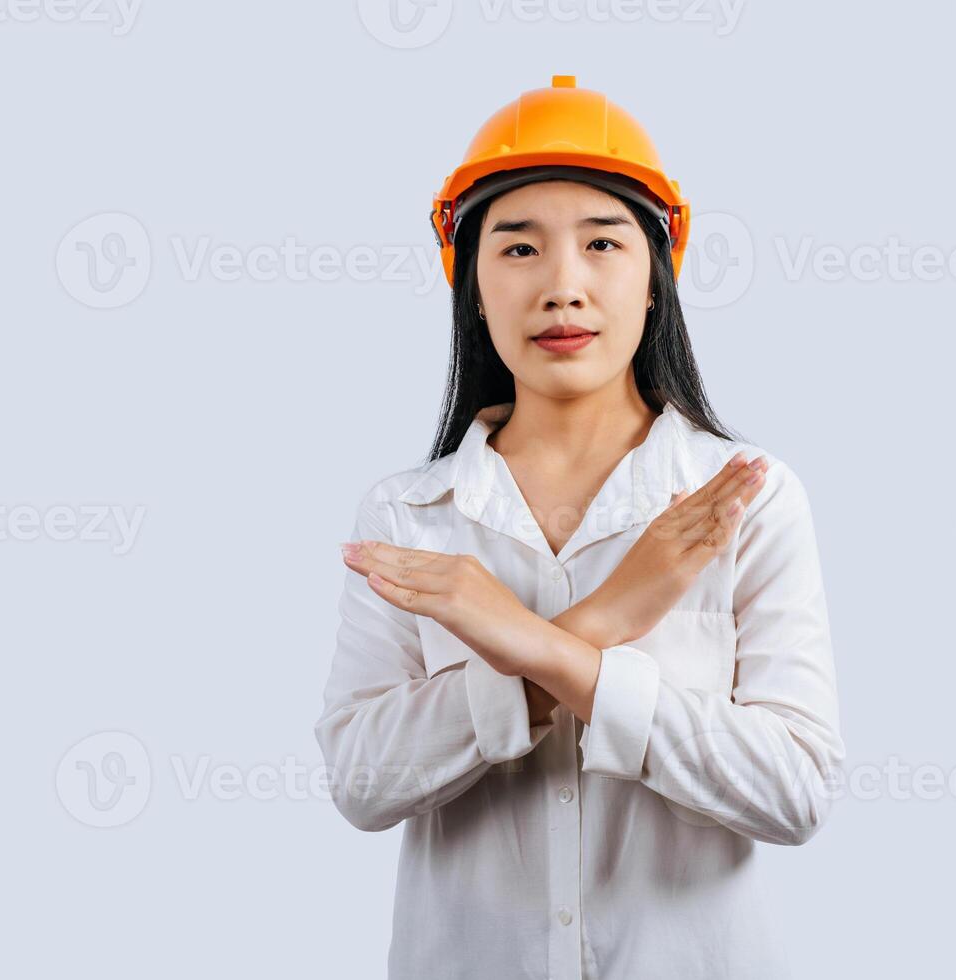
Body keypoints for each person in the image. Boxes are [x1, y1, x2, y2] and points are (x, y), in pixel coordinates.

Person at [313, 74, 842, 979]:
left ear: (654, 281)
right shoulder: (409, 517)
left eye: (603, 243)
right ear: (471, 284)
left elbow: (794, 791)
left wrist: (546, 654)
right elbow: (361, 786)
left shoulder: (747, 497)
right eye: (518, 249)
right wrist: (601, 625)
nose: (563, 286)